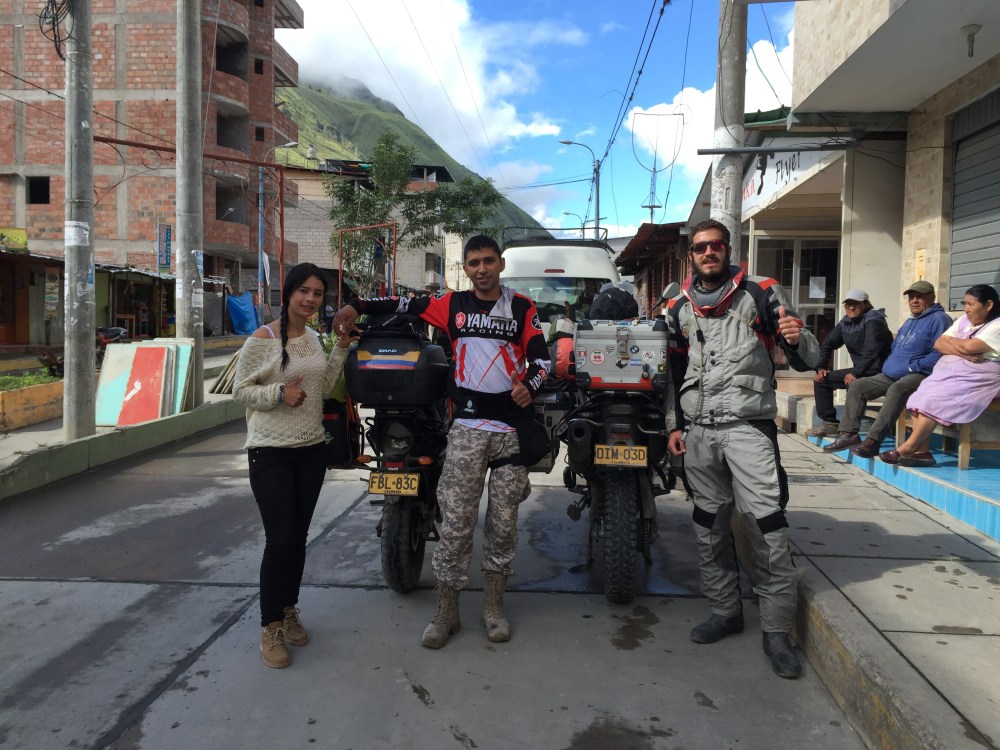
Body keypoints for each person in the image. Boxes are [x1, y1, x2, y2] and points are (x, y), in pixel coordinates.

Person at [333, 234, 550, 648]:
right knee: (456, 523)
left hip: (510, 432)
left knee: (503, 525)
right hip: (467, 428)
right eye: (474, 263)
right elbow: (404, 304)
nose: (482, 269)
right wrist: (357, 305)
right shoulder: (451, 304)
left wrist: (531, 385)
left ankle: (493, 608)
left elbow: (541, 358)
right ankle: (446, 611)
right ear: (465, 268)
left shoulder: (522, 307)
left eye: (488, 261)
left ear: (501, 264)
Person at [666, 218, 820, 679]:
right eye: (700, 247)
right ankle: (725, 611)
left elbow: (806, 357)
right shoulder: (678, 306)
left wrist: (797, 337)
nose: (708, 252)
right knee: (709, 526)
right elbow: (672, 371)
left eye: (715, 245)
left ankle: (777, 633)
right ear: (691, 255)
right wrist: (675, 425)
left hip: (748, 428)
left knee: (766, 526)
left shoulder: (761, 292)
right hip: (699, 431)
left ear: (728, 249)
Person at [233, 263, 360, 669]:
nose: (310, 299)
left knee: (298, 537)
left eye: (317, 293)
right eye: (303, 290)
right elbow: (240, 390)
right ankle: (270, 626)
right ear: (288, 293)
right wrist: (277, 393)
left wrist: (340, 348)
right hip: (270, 452)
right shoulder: (263, 338)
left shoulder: (314, 339)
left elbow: (325, 388)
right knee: (280, 539)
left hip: (310, 450)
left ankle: (288, 610)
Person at [820, 281, 952, 455]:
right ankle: (849, 434)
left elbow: (941, 352)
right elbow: (895, 347)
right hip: (891, 374)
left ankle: (873, 441)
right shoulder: (910, 321)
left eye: (919, 297)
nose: (914, 301)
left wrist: (914, 367)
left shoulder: (940, 319)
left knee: (897, 389)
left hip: (920, 374)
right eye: (911, 297)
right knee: (858, 386)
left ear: (932, 297)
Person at [880, 284, 1000, 467]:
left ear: (989, 305)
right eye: (964, 304)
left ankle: (907, 448)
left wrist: (954, 343)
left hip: (978, 379)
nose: (966, 309)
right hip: (948, 376)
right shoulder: (964, 321)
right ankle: (922, 453)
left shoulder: (997, 325)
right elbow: (938, 343)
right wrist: (964, 353)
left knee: (933, 400)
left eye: (971, 304)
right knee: (918, 398)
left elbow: (969, 346)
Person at [806, 289, 893, 437]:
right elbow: (828, 343)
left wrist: (856, 373)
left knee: (853, 382)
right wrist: (821, 367)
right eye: (848, 304)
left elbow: (872, 350)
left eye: (856, 304)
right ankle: (830, 424)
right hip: (862, 369)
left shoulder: (874, 320)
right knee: (822, 381)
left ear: (866, 304)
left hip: (879, 370)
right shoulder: (846, 322)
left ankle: (850, 431)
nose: (851, 307)